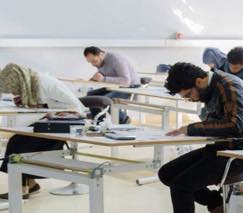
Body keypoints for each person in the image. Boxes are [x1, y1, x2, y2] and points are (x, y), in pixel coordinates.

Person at [156, 62, 243, 213]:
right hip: (220, 148)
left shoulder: (229, 86)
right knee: (167, 173)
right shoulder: (212, 88)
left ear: (199, 81)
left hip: (236, 155)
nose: (191, 100)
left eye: (189, 95)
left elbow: (234, 125)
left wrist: (191, 129)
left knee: (181, 186)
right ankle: (216, 203)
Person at [0, 64, 86, 200]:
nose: (14, 92)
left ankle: (21, 189)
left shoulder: (47, 84)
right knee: (18, 140)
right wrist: (27, 101)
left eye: (15, 88)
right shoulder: (31, 83)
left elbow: (75, 105)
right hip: (52, 122)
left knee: (17, 143)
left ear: (20, 80)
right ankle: (31, 184)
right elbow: (46, 103)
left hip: (65, 125)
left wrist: (44, 105)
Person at [83, 46, 141, 124]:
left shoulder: (117, 60)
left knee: (106, 99)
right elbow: (103, 74)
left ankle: (123, 120)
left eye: (94, 61)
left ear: (101, 54)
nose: (93, 64)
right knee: (90, 96)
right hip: (115, 87)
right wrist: (92, 79)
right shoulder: (101, 62)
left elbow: (126, 81)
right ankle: (98, 122)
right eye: (90, 62)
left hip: (130, 87)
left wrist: (104, 79)